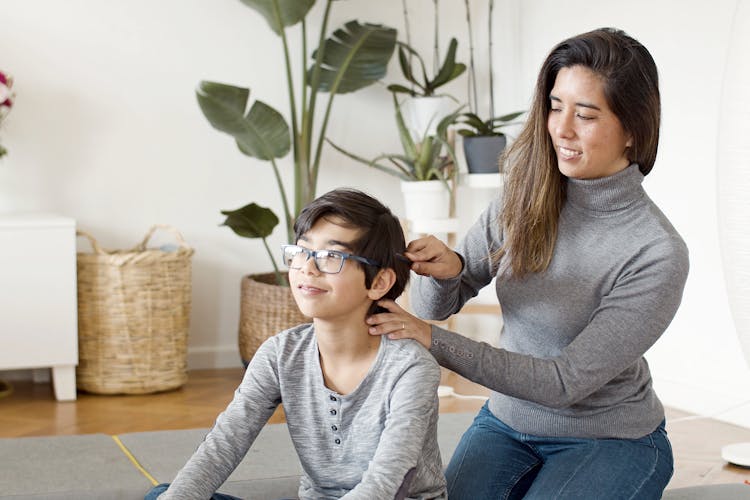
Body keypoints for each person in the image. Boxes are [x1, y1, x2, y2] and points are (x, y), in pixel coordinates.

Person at [366, 27, 689, 499]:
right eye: (555, 107)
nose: (562, 128)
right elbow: (439, 305)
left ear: (634, 129)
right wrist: (449, 269)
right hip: (506, 423)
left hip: (608, 438)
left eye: (586, 115)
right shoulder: (524, 195)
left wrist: (431, 341)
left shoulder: (656, 251)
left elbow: (564, 383)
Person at [146, 188, 447, 499]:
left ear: (379, 282)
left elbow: (387, 481)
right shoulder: (280, 354)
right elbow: (225, 442)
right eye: (302, 251)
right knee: (166, 494)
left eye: (332, 256)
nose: (308, 268)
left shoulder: (410, 367)